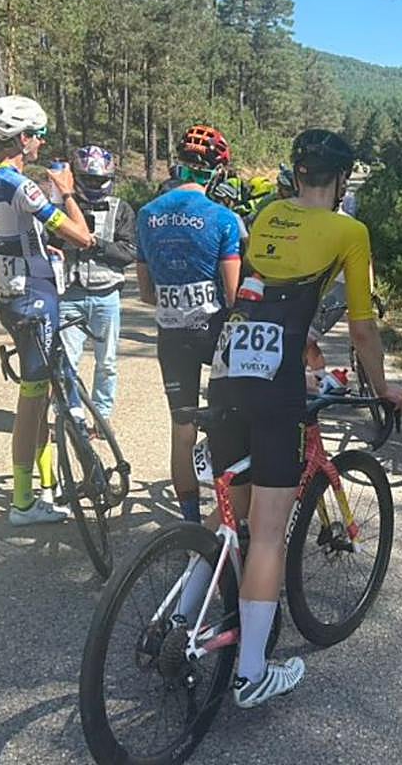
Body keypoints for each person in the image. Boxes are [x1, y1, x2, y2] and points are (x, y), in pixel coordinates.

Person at [197, 129, 402, 708]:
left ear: (295, 173)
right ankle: (253, 671)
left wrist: (305, 343)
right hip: (276, 386)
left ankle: (183, 621)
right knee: (266, 535)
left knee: (226, 521)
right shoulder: (349, 230)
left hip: (228, 369)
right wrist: (383, 385)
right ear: (341, 181)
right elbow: (361, 328)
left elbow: (267, 292)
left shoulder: (266, 216)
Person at [0, 95, 96, 524]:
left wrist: (15, 246)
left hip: (12, 295)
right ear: (23, 138)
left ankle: (46, 487)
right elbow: (83, 236)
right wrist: (69, 194)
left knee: (44, 393)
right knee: (33, 402)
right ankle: (22, 502)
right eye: (39, 134)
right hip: (37, 298)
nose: (41, 143)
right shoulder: (22, 185)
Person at [135, 124, 242, 523]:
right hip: (216, 335)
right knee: (225, 427)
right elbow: (233, 295)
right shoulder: (223, 218)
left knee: (183, 431)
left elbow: (146, 293)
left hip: (172, 337)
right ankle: (230, 518)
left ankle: (190, 522)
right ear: (216, 171)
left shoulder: (147, 215)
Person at [59, 145, 138, 432]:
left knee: (107, 362)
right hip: (70, 293)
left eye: (98, 180)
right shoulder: (61, 207)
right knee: (66, 361)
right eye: (87, 179)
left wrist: (95, 244)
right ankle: (69, 415)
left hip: (107, 295)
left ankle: (102, 416)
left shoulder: (121, 209)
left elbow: (129, 251)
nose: (93, 185)